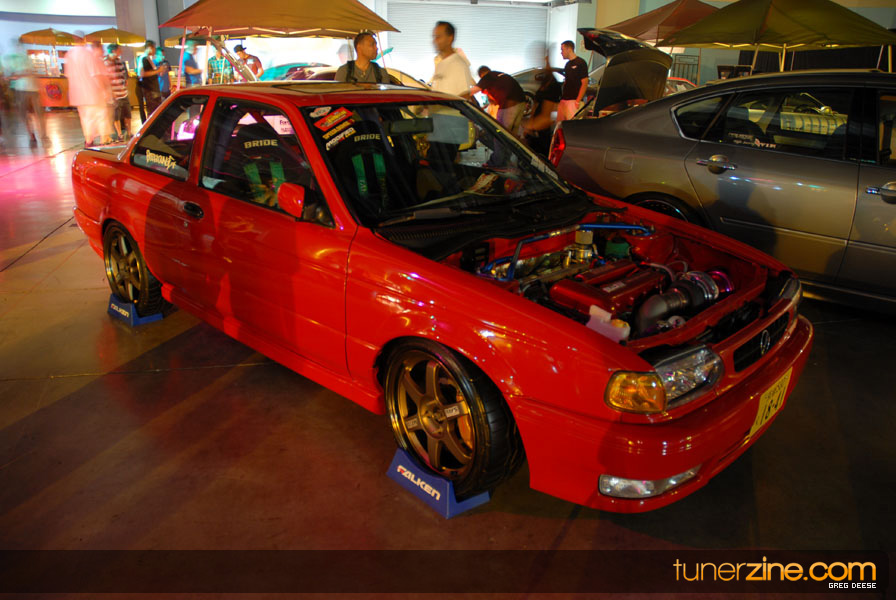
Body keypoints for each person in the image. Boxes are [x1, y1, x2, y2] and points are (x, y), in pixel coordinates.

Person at [65, 41, 113, 145]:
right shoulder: (91, 57)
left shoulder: (70, 54)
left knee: (87, 119)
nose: (103, 51)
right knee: (101, 116)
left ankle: (89, 141)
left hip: (80, 96)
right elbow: (96, 76)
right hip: (93, 94)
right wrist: (104, 91)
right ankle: (103, 141)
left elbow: (69, 76)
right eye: (102, 48)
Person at [3, 41, 46, 145]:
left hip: (26, 88)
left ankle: (38, 134)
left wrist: (16, 76)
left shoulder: (22, 58)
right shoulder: (16, 58)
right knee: (31, 113)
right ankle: (36, 134)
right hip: (26, 88)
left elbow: (28, 72)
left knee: (30, 113)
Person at [471, 65, 527, 138]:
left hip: (510, 105)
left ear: (481, 75)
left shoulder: (487, 77)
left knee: (502, 131)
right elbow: (494, 98)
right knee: (514, 131)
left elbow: (472, 92)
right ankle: (515, 143)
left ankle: (500, 143)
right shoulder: (499, 75)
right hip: (521, 102)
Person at [522, 69, 562, 157]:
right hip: (538, 124)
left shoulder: (551, 89)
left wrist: (531, 125)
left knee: (540, 151)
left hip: (541, 127)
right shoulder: (544, 87)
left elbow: (546, 115)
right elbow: (536, 107)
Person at [430, 21, 473, 97]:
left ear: (450, 38)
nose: (434, 41)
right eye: (434, 37)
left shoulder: (459, 64)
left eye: (438, 37)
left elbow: (465, 96)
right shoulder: (440, 65)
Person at [104, 43, 131, 141]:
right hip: (114, 94)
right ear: (114, 51)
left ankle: (129, 133)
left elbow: (123, 74)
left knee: (127, 114)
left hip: (123, 92)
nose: (121, 52)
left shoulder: (119, 61)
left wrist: (125, 81)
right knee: (116, 116)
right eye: (119, 50)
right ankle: (119, 134)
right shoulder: (105, 63)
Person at [557, 39, 588, 123]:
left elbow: (584, 83)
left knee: (571, 125)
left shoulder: (581, 63)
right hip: (564, 100)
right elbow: (566, 82)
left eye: (562, 50)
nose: (561, 52)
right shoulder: (567, 65)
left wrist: (578, 101)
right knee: (560, 125)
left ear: (569, 49)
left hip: (573, 101)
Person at [137, 40, 165, 117]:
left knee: (156, 112)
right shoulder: (143, 58)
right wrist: (158, 71)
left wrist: (158, 71)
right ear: (150, 48)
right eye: (154, 48)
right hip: (150, 90)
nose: (155, 50)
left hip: (153, 89)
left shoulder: (149, 59)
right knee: (153, 112)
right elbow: (142, 74)